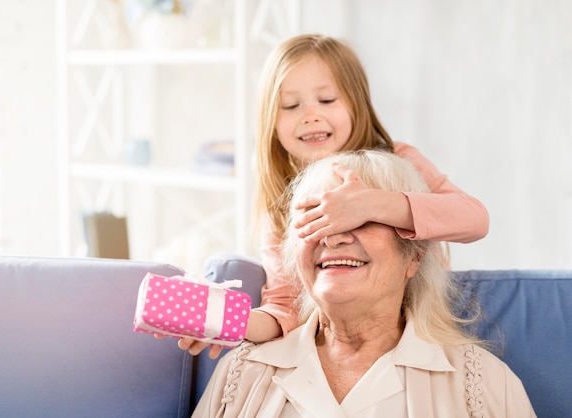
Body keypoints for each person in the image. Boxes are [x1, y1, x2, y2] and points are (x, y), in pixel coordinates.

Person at [179, 33, 489, 358]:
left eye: (327, 100)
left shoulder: (401, 163)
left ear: (357, 104)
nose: (310, 115)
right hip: (338, 350)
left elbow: (475, 219)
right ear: (271, 120)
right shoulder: (281, 205)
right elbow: (284, 310)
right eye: (290, 105)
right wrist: (226, 321)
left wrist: (371, 205)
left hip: (414, 338)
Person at [192, 150, 535, 417]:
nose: (334, 237)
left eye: (364, 217)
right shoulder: (241, 373)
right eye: (316, 216)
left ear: (414, 257)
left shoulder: (483, 384)